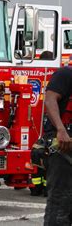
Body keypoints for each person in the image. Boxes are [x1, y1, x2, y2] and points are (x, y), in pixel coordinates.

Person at [43, 66, 72, 225]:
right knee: (60, 198)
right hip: (62, 145)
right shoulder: (66, 74)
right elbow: (50, 100)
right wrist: (61, 130)